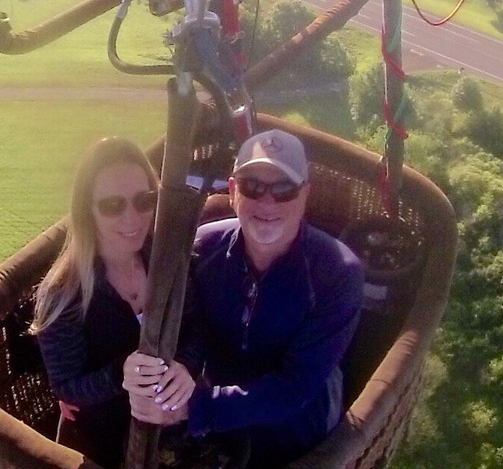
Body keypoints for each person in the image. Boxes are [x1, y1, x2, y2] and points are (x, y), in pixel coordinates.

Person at [124, 129, 365, 469]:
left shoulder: (337, 273)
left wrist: (195, 407)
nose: (267, 202)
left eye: (284, 189)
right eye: (253, 186)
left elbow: (295, 387)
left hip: (297, 438)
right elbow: (186, 324)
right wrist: (173, 370)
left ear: (305, 195)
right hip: (217, 428)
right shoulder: (202, 249)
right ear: (234, 191)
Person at [31, 137, 195, 469]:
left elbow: (197, 327)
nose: (133, 218)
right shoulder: (64, 294)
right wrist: (120, 373)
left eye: (144, 200)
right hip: (100, 448)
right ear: (86, 210)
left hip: (170, 436)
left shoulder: (168, 261)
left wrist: (187, 367)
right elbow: (68, 388)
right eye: (112, 205)